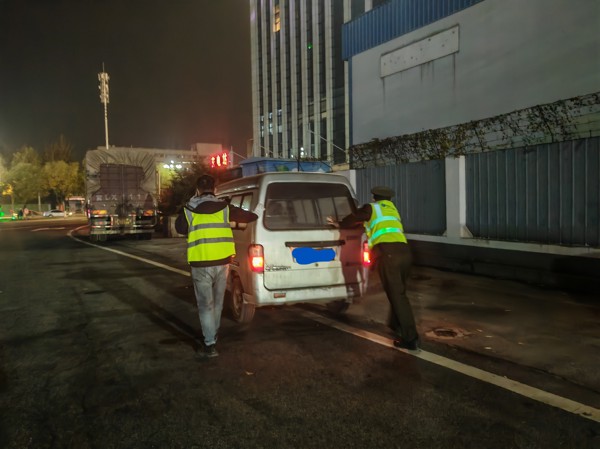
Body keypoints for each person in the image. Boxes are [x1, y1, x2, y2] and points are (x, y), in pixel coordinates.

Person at [327, 186, 420, 350]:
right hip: (405, 253)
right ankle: (396, 326)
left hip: (388, 254)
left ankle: (410, 338)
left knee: (397, 296)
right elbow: (374, 226)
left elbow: (354, 218)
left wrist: (338, 223)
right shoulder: (392, 210)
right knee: (398, 292)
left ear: (374, 198)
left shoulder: (371, 208)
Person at [175, 174, 258, 359]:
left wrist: (190, 204)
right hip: (222, 263)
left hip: (200, 262)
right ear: (214, 189)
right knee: (218, 302)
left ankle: (210, 345)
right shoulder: (225, 207)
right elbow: (249, 216)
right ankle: (214, 334)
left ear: (197, 190)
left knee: (206, 305)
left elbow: (179, 228)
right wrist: (259, 208)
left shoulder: (189, 209)